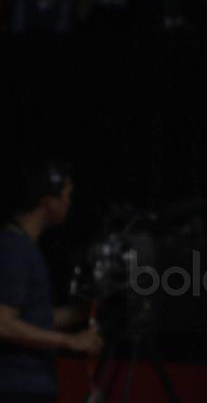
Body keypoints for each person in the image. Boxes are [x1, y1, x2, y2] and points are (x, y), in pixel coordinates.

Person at [1, 159, 104, 403]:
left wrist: (84, 311)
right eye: (66, 196)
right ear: (47, 203)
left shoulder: (25, 247)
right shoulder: (14, 248)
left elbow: (35, 317)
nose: (69, 203)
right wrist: (70, 341)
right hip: (16, 388)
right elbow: (3, 323)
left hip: (29, 385)